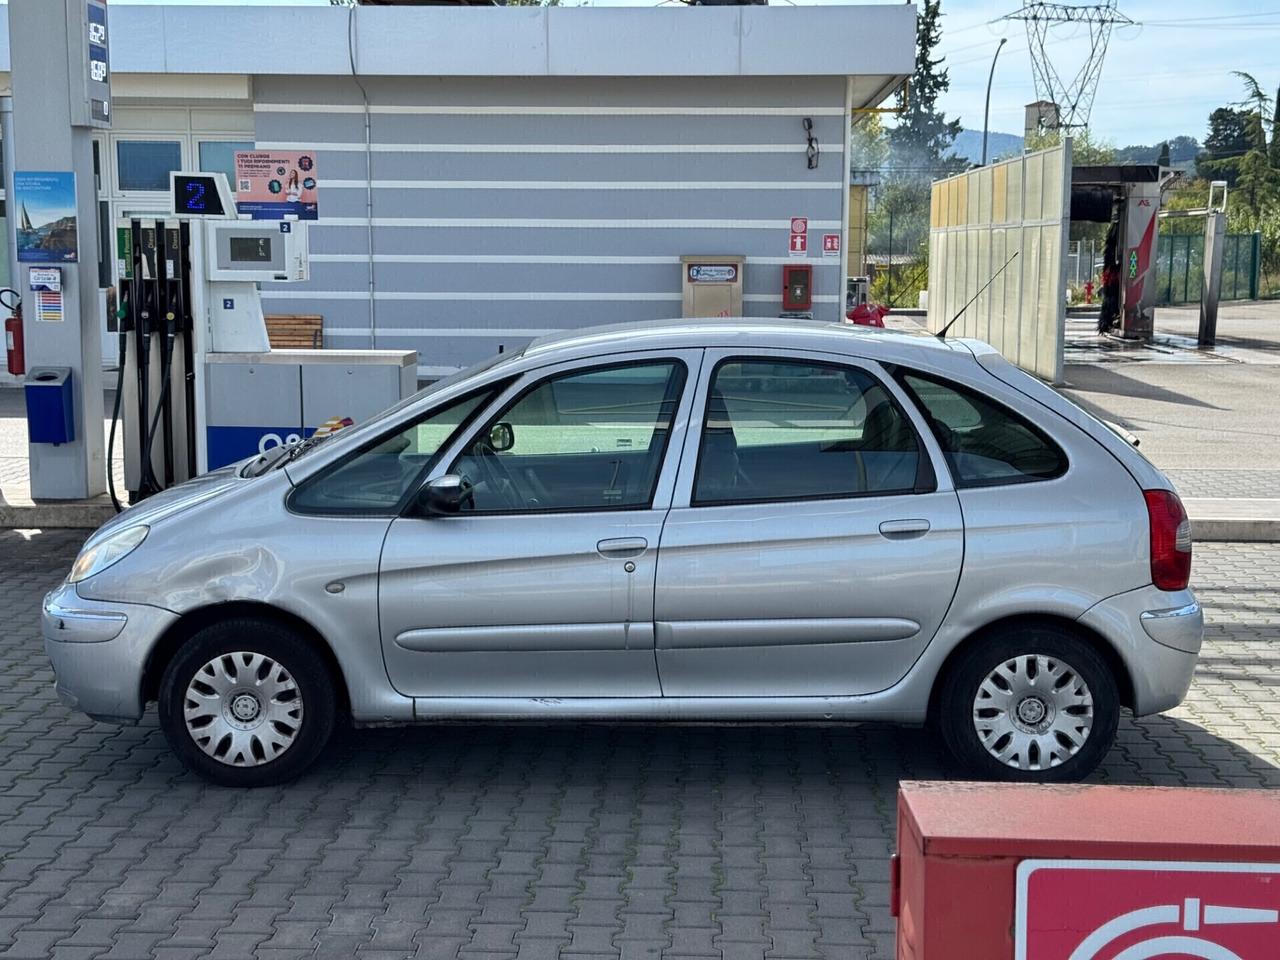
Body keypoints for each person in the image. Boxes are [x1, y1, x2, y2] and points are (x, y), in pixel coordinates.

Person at [1097, 219, 1121, 335]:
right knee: (1111, 303)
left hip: (1110, 285)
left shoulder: (1109, 264)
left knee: (1109, 303)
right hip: (1111, 286)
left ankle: (1106, 323)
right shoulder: (1111, 269)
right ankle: (1108, 323)